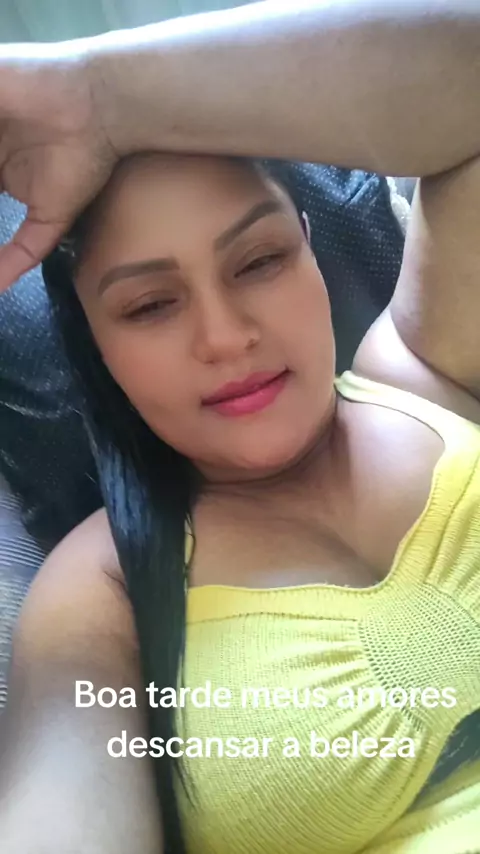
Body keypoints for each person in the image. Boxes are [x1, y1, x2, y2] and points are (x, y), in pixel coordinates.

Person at [0, 2, 479, 854]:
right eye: (150, 306)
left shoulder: (428, 366)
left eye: (259, 261)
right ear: (98, 345)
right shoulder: (99, 598)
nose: (225, 338)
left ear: (309, 246)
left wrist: (99, 93)